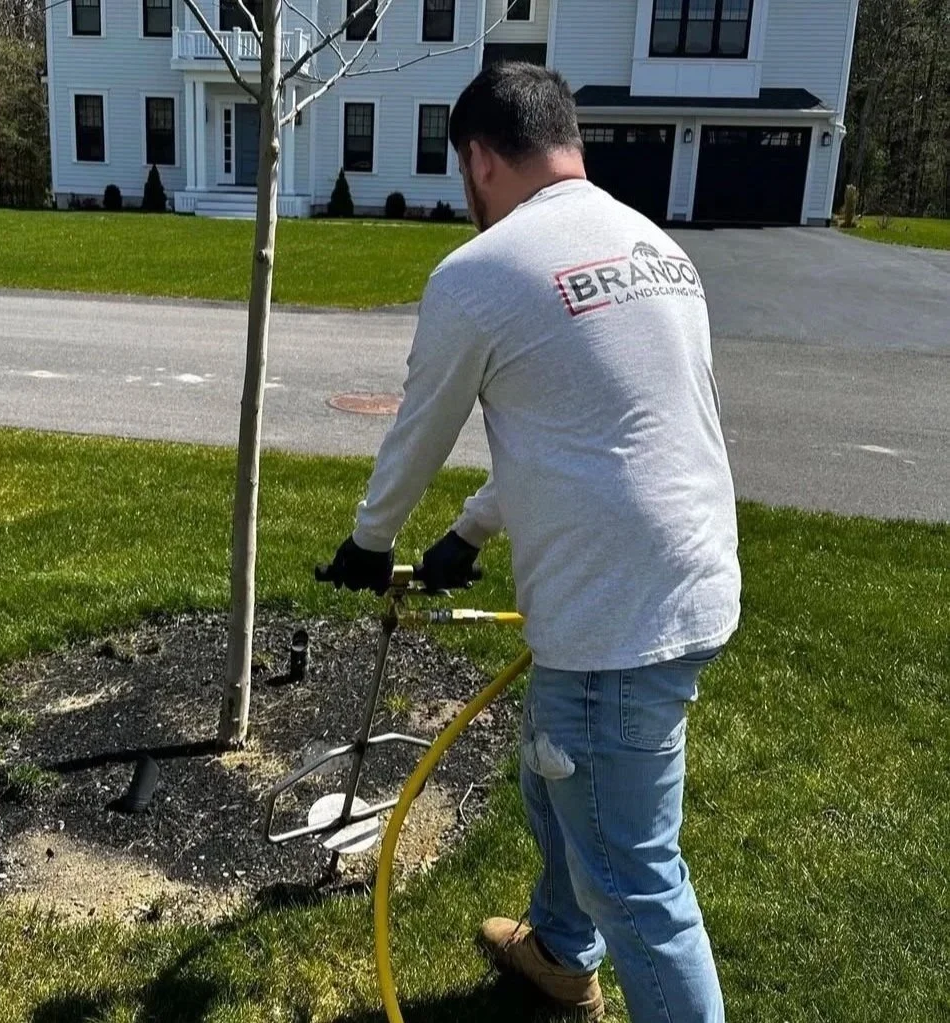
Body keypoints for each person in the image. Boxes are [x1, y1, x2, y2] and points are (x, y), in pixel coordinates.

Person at [319, 63, 740, 1023]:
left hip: (613, 616)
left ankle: (593, 943)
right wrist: (469, 533)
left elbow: (417, 429)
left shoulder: (482, 270)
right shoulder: (654, 246)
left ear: (478, 159)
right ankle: (558, 949)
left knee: (636, 879)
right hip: (691, 579)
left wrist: (367, 542)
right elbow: (591, 438)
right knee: (552, 773)